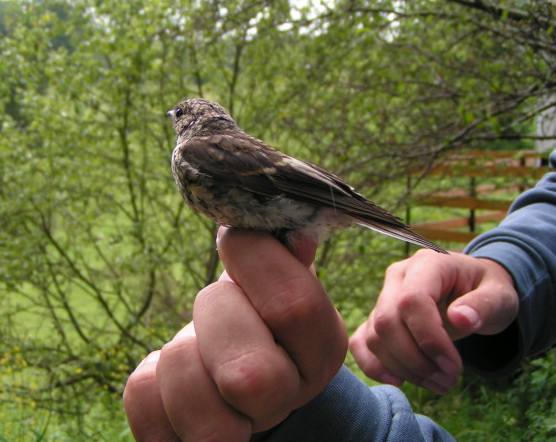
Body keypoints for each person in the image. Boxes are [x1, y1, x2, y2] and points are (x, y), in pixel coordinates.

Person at [124, 150, 556, 441]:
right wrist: (512, 265)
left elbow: (283, 177)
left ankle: (286, 398)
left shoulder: (198, 151)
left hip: (297, 198)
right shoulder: (217, 146)